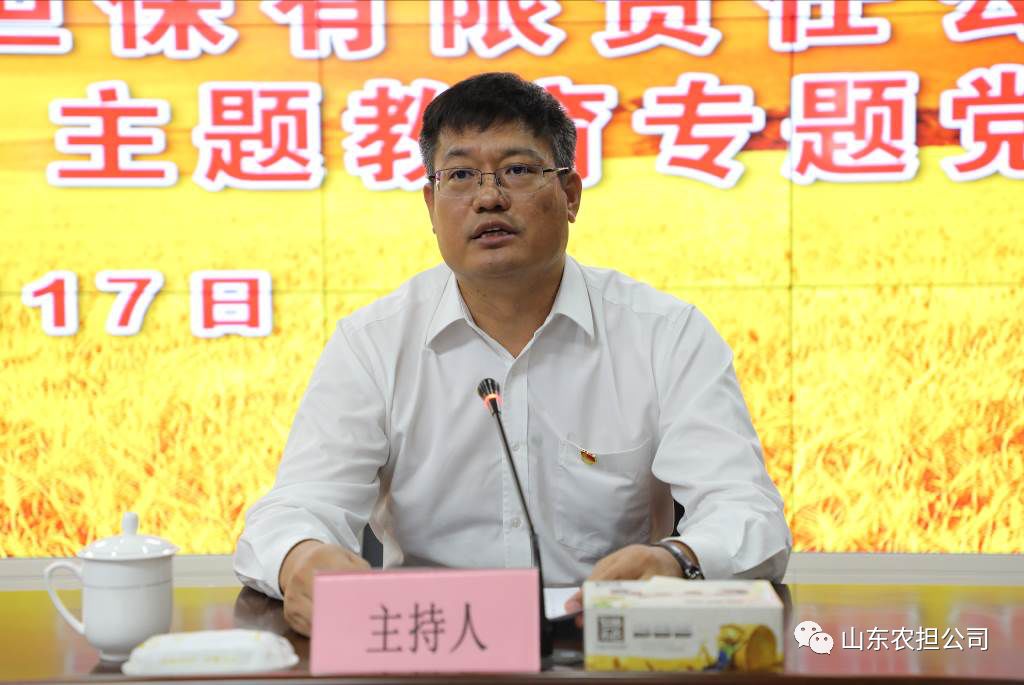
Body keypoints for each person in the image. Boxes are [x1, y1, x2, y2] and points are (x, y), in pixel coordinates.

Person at [234, 72, 791, 637]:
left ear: (570, 196)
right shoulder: (373, 343)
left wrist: (678, 560)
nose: (488, 197)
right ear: (431, 205)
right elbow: (296, 507)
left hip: (604, 644)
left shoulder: (665, 335)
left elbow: (748, 513)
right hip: (429, 644)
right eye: (459, 175)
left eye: (518, 170)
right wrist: (300, 558)